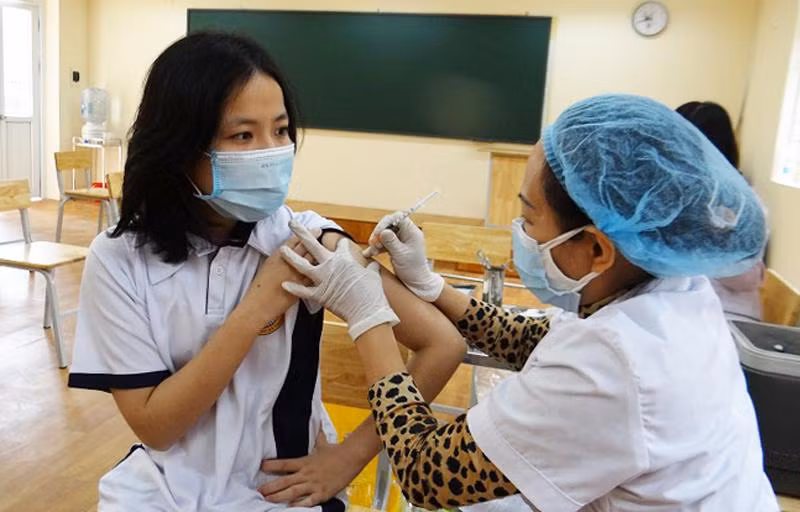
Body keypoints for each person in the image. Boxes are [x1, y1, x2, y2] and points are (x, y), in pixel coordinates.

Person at [281, 94, 778, 510]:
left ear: (598, 248)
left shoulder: (613, 365)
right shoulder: (675, 293)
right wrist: (430, 284)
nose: (520, 234)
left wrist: (369, 314)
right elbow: (531, 336)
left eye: (529, 217)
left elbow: (425, 471)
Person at [67, 32, 466, 511]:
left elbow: (442, 343)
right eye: (243, 135)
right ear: (179, 146)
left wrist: (349, 458)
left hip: (281, 494)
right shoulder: (118, 258)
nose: (271, 151)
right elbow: (157, 427)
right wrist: (258, 307)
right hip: (160, 490)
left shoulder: (308, 241)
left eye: (280, 131)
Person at [677, 100, 765, 321]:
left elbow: (744, 277)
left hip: (728, 316)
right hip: (685, 310)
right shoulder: (677, 195)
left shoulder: (741, 204)